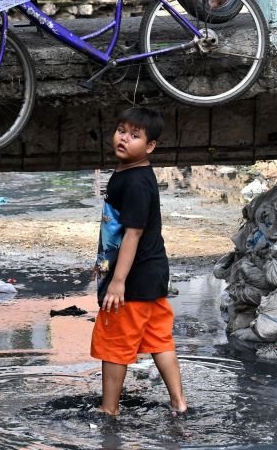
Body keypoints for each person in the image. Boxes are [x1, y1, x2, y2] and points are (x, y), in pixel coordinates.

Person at [91, 106, 188, 418]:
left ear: (149, 147)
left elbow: (132, 234)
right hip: (152, 272)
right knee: (159, 338)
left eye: (135, 136)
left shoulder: (134, 182)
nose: (124, 139)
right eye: (122, 130)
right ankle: (179, 403)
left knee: (115, 343)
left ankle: (109, 410)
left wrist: (117, 281)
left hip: (133, 279)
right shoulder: (131, 173)